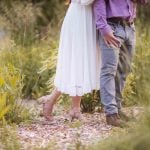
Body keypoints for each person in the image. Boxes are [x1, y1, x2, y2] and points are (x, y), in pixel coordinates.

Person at [39, 0, 100, 121]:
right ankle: (65, 105)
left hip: (88, 19)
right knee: (76, 60)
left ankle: (70, 107)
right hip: (78, 19)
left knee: (81, 62)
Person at [93, 0, 148, 127]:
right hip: (112, 27)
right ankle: (111, 114)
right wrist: (103, 28)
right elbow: (99, 2)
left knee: (124, 70)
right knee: (109, 70)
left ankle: (117, 109)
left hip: (129, 27)